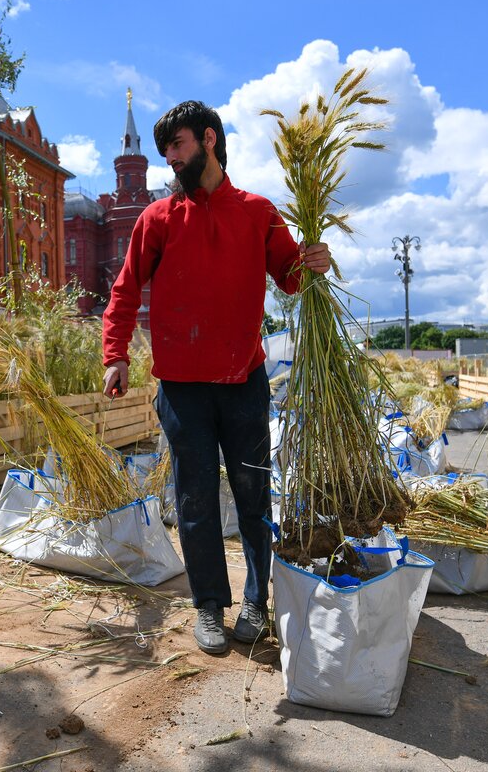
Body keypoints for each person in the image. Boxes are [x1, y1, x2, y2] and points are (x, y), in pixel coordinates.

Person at [101, 101, 331, 655]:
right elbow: (125, 288)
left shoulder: (257, 212)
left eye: (177, 146)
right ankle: (208, 605)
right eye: (164, 152)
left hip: (244, 382)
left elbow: (291, 278)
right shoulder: (157, 219)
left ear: (208, 140)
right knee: (195, 499)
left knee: (253, 495)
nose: (170, 159)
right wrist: (116, 354)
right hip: (181, 389)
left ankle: (256, 600)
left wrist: (314, 261)